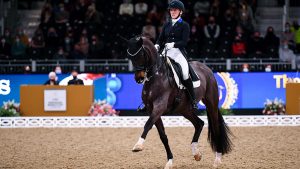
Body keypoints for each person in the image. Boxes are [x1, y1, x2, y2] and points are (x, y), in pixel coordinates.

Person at [155, 0, 197, 109]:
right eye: (171, 10)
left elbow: (184, 42)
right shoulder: (167, 24)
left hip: (178, 53)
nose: (172, 12)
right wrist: (157, 45)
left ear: (180, 12)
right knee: (153, 70)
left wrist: (173, 44)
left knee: (184, 72)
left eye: (175, 10)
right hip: (165, 52)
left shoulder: (184, 25)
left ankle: (193, 100)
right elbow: (160, 39)